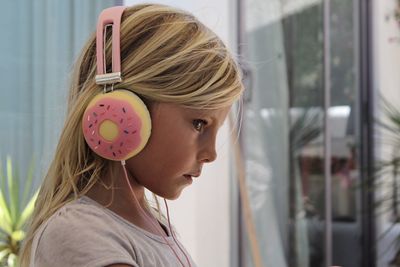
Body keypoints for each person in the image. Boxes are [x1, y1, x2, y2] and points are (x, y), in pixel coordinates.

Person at [19, 3, 244, 267]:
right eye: (198, 124)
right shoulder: (81, 234)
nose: (211, 154)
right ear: (120, 112)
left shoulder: (151, 226)